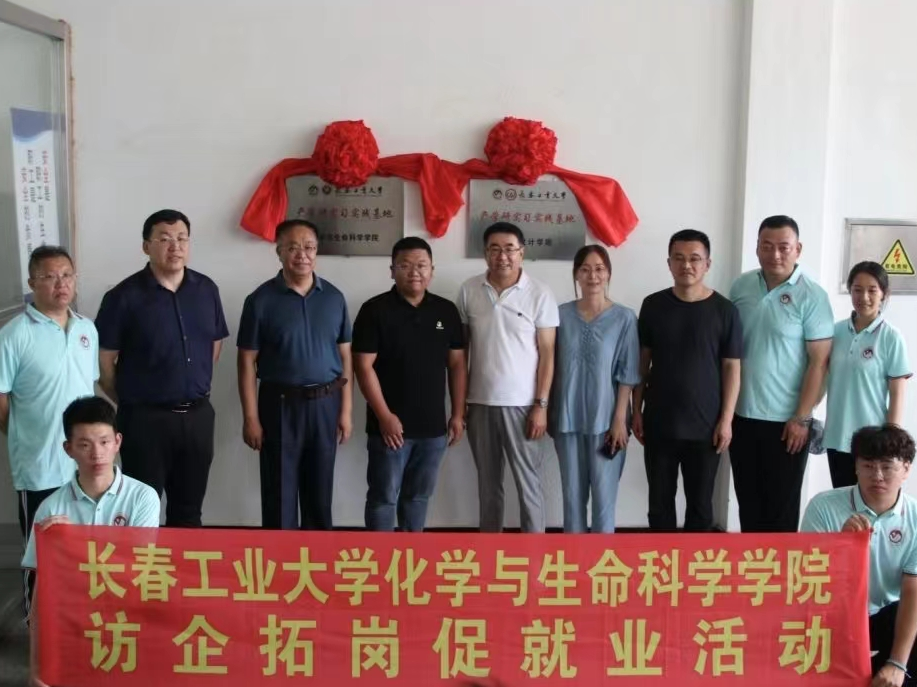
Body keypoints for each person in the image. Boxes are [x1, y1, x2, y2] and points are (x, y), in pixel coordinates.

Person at [95, 209, 228, 527]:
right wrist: (131, 400)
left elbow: (214, 344)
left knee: (189, 511)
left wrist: (189, 382)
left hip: (197, 417)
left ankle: (187, 561)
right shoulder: (123, 297)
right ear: (146, 246)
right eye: (165, 239)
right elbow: (103, 362)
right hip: (144, 420)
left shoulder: (206, 289)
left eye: (182, 238)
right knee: (142, 512)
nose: (175, 246)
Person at [23, 395, 160, 687]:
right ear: (68, 449)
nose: (97, 454)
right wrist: (35, 669)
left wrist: (72, 543)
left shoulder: (143, 497)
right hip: (74, 627)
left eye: (104, 442)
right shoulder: (50, 508)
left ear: (118, 442)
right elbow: (41, 597)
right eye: (84, 445)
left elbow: (136, 569)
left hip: (129, 625)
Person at [0, 245, 98, 621]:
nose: (61, 284)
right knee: (40, 550)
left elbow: (88, 388)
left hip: (85, 464)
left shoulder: (86, 329)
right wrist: (22, 435)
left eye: (67, 275)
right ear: (32, 283)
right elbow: (1, 398)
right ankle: (37, 626)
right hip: (39, 463)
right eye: (50, 277)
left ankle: (78, 622)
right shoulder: (14, 335)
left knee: (84, 549)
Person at [237, 219, 353, 530]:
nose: (302, 254)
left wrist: (345, 411)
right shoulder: (260, 300)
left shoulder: (334, 298)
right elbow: (246, 361)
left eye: (309, 247)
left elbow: (345, 356)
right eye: (293, 247)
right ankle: (279, 558)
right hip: (279, 405)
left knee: (320, 494)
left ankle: (317, 558)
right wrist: (251, 417)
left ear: (317, 251)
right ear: (279, 252)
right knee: (280, 494)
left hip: (325, 403)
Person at [353, 237, 467, 532]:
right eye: (405, 265)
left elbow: (457, 364)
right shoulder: (374, 310)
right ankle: (380, 557)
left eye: (421, 265)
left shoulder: (445, 311)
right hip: (389, 429)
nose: (414, 272)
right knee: (383, 499)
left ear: (432, 270)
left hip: (433, 429)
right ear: (392, 270)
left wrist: (457, 414)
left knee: (418, 498)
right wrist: (384, 417)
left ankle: (410, 556)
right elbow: (363, 366)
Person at [729, 215, 833, 532]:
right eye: (767, 246)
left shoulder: (813, 296)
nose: (775, 254)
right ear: (757, 248)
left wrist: (802, 418)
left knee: (780, 511)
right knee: (748, 504)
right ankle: (752, 565)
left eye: (784, 247)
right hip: (741, 417)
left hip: (788, 424)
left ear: (798, 249)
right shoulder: (741, 287)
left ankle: (779, 567)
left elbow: (820, 363)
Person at [633, 230, 742, 531]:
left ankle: (697, 562)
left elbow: (732, 368)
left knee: (701, 507)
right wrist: (636, 409)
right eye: (678, 258)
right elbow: (642, 363)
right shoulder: (653, 305)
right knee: (659, 505)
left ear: (708, 263)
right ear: (669, 263)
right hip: (659, 423)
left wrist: (727, 420)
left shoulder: (725, 311)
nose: (687, 265)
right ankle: (661, 560)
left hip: (706, 427)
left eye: (695, 259)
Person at [457, 222, 558, 533]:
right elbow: (461, 352)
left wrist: (541, 405)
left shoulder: (540, 293)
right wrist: (460, 407)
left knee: (529, 485)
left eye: (510, 249)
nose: (502, 256)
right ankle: (491, 552)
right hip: (480, 403)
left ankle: (535, 553)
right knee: (488, 487)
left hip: (523, 405)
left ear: (521, 252)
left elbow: (548, 354)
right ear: (485, 253)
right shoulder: (469, 290)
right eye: (495, 249)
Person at [801, 424, 917, 687]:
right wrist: (842, 547)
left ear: (906, 469)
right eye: (868, 465)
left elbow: (913, 591)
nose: (877, 476)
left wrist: (898, 663)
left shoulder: (914, 517)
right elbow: (808, 580)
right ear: (856, 467)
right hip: (834, 614)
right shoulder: (823, 507)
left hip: (888, 614)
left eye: (887, 466)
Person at [550, 245, 639, 533]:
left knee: (604, 501)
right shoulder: (560, 315)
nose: (593, 276)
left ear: (609, 273)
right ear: (576, 274)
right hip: (568, 420)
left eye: (599, 269)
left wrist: (619, 420)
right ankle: (573, 558)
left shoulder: (624, 318)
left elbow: (628, 373)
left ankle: (602, 560)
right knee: (572, 499)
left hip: (607, 423)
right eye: (585, 269)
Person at [825, 262, 911, 488]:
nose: (864, 297)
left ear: (884, 294)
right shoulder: (835, 332)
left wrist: (891, 441)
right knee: (843, 499)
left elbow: (897, 393)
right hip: (837, 436)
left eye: (872, 290)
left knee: (872, 501)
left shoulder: (891, 337)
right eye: (857, 289)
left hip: (873, 441)